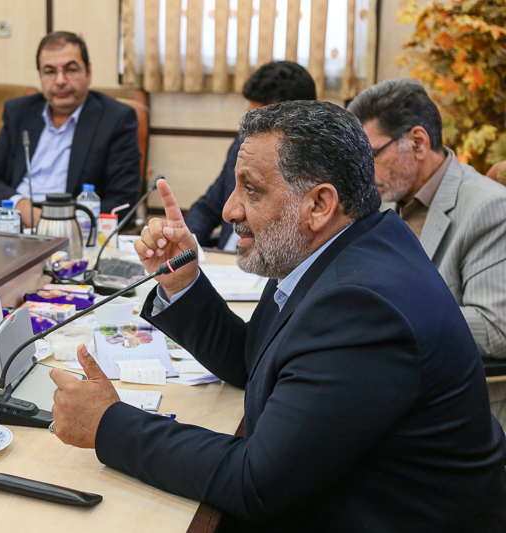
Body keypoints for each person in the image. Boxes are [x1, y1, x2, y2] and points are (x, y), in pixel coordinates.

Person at [50, 101, 506, 531]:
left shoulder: (360, 306)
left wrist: (109, 425)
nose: (229, 209)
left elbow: (257, 483)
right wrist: (182, 282)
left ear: (319, 205)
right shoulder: (333, 248)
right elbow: (254, 361)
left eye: (251, 189)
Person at [348, 79, 506, 360]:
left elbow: (495, 329)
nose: (364, 171)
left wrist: (383, 317)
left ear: (418, 142)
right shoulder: (381, 197)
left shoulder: (489, 207)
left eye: (372, 155)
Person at [0, 32, 141, 228]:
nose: (60, 80)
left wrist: (62, 221)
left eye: (71, 70)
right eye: (50, 71)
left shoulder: (116, 118)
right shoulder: (19, 112)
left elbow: (122, 200)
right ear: (41, 76)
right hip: (17, 223)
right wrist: (19, 205)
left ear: (88, 73)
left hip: (73, 228)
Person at [185, 61, 316, 249]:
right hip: (225, 260)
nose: (252, 130)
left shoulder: (312, 167)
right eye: (250, 116)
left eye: (262, 121)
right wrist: (185, 241)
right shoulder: (242, 147)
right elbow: (208, 208)